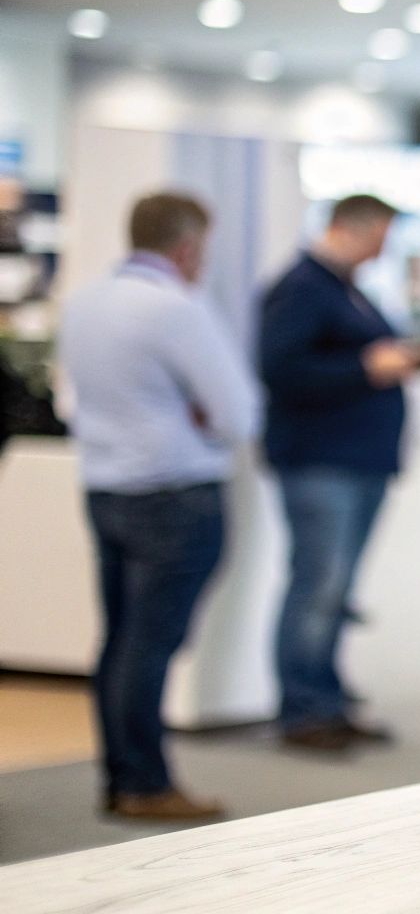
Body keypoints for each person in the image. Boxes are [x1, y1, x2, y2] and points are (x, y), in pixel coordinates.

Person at [58, 192, 260, 819]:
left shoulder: (83, 301)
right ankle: (144, 783)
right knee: (149, 646)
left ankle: (122, 778)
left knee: (121, 640)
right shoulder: (177, 308)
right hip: (174, 497)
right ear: (188, 247)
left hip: (106, 488)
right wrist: (197, 413)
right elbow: (239, 413)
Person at [259, 194, 420, 751]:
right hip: (321, 462)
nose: (385, 248)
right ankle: (303, 710)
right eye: (382, 235)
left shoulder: (344, 287)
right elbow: (280, 369)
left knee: (335, 590)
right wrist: (365, 367)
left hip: (354, 461)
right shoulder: (303, 286)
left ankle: (326, 699)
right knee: (318, 585)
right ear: (356, 228)